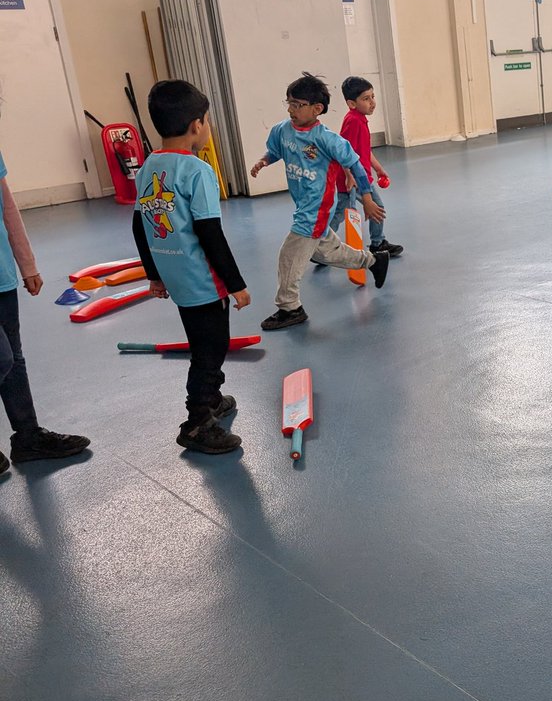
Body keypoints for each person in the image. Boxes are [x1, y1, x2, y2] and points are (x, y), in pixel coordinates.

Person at [132, 80, 250, 453]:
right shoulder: (198, 171)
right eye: (208, 121)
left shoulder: (150, 165)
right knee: (211, 348)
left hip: (176, 277)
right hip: (203, 282)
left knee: (202, 341)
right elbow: (210, 233)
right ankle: (198, 419)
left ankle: (212, 399)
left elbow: (139, 225)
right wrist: (235, 284)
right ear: (197, 125)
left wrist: (153, 274)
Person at [250, 73, 389, 330]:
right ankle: (373, 261)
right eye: (289, 103)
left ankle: (289, 307)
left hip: (316, 208)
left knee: (289, 255)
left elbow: (356, 165)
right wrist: (264, 161)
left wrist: (367, 199)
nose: (292, 109)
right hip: (302, 204)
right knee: (326, 251)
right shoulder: (282, 130)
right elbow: (275, 151)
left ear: (317, 109)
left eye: (298, 104)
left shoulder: (326, 139)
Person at [0, 112, 91, 476]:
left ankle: (28, 438)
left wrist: (27, 264)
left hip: (2, 276)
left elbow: (7, 209)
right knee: (2, 359)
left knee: (15, 358)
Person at [326, 76, 403, 259]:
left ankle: (319, 244)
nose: (372, 102)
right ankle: (377, 243)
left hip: (359, 175)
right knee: (377, 207)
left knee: (340, 213)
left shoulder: (360, 119)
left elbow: (364, 150)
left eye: (372, 96)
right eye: (366, 99)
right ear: (352, 103)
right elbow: (343, 151)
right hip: (353, 178)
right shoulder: (353, 121)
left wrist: (378, 169)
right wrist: (348, 175)